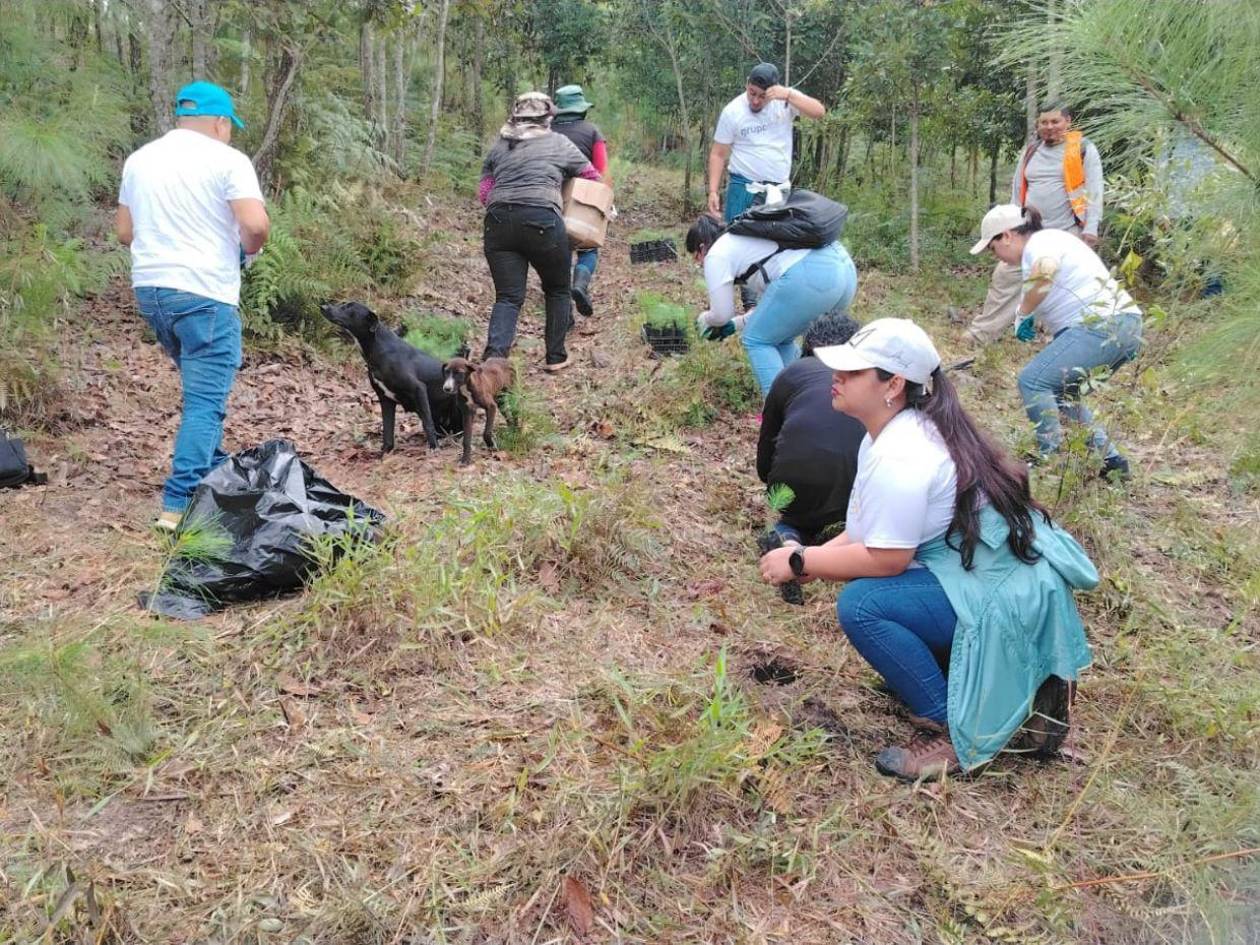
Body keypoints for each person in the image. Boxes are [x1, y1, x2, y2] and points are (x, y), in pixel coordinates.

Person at [757, 318, 1099, 780]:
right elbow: (864, 532)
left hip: (998, 591)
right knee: (877, 592)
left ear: (893, 384)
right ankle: (980, 680)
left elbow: (886, 559)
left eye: (852, 372)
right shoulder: (891, 431)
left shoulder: (903, 454)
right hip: (980, 570)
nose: (835, 379)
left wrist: (800, 559)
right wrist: (809, 563)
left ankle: (949, 728)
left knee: (863, 605)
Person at [115, 81, 269, 532]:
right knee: (205, 403)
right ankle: (178, 505)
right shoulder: (228, 160)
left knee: (202, 393)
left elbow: (125, 232)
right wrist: (244, 249)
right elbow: (256, 225)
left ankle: (212, 474)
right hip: (205, 293)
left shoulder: (140, 159)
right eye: (230, 126)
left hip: (153, 291)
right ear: (221, 122)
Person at [970, 203, 1142, 479]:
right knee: (1061, 394)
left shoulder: (1041, 242)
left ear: (1007, 236)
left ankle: (1050, 458)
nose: (996, 257)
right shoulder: (1050, 241)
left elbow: (1046, 269)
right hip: (1124, 326)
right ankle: (1113, 464)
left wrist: (1023, 312)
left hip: (1102, 324)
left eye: (993, 248)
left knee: (1033, 381)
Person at [478, 92, 601, 372]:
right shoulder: (558, 143)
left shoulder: (499, 147)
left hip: (497, 223)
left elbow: (485, 192)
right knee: (557, 289)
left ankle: (493, 361)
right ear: (548, 117)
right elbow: (592, 177)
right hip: (542, 220)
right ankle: (555, 356)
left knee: (508, 297)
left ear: (515, 116)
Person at [967, 101, 1105, 344]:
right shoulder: (1031, 151)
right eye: (1044, 122)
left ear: (1067, 122)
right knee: (1005, 276)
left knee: (1060, 285)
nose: (1049, 127)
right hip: (1028, 230)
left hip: (1066, 231)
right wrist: (1009, 223)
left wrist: (1091, 228)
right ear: (1038, 125)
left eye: (1055, 121)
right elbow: (1018, 189)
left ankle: (1059, 339)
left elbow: (1094, 190)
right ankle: (981, 334)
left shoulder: (1082, 149)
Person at [686, 213, 857, 398]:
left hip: (812, 277)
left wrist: (704, 319)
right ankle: (808, 401)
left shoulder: (716, 253)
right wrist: (736, 324)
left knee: (756, 339)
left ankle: (781, 414)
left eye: (697, 258)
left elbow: (721, 314)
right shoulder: (745, 239)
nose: (700, 264)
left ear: (702, 248)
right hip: (843, 270)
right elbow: (773, 309)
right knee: (779, 338)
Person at [757, 311, 867, 547]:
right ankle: (844, 538)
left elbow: (765, 456)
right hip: (856, 494)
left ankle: (789, 538)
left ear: (806, 347)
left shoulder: (792, 373)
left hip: (794, 488)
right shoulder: (869, 383)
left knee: (795, 522)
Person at [707, 62, 826, 223]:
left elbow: (819, 112)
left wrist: (788, 95)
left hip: (777, 190)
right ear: (747, 84)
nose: (755, 101)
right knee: (737, 239)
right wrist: (713, 191)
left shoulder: (785, 101)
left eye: (763, 96)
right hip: (743, 187)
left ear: (774, 90)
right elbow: (718, 154)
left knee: (771, 243)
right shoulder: (733, 111)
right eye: (752, 93)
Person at [550, 84, 611, 318]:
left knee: (559, 251)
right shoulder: (592, 132)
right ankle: (581, 282)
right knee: (588, 246)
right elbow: (602, 170)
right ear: (582, 109)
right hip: (583, 198)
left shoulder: (546, 132)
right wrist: (606, 203)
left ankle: (563, 312)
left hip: (551, 196)